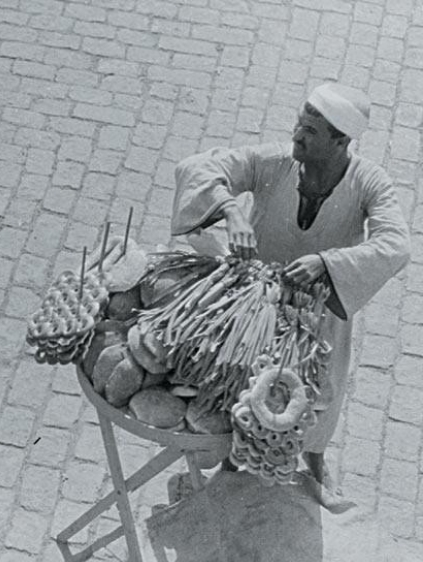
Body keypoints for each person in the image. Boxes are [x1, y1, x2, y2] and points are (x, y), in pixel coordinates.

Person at [171, 82, 410, 511]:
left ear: (341, 141)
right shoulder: (274, 162)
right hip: (253, 306)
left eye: (312, 131)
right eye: (300, 122)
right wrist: (229, 209)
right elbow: (197, 167)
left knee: (323, 392)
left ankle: (314, 459)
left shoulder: (369, 183)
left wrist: (326, 262)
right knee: (240, 384)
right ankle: (232, 459)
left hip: (317, 311)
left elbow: (395, 244)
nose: (297, 134)